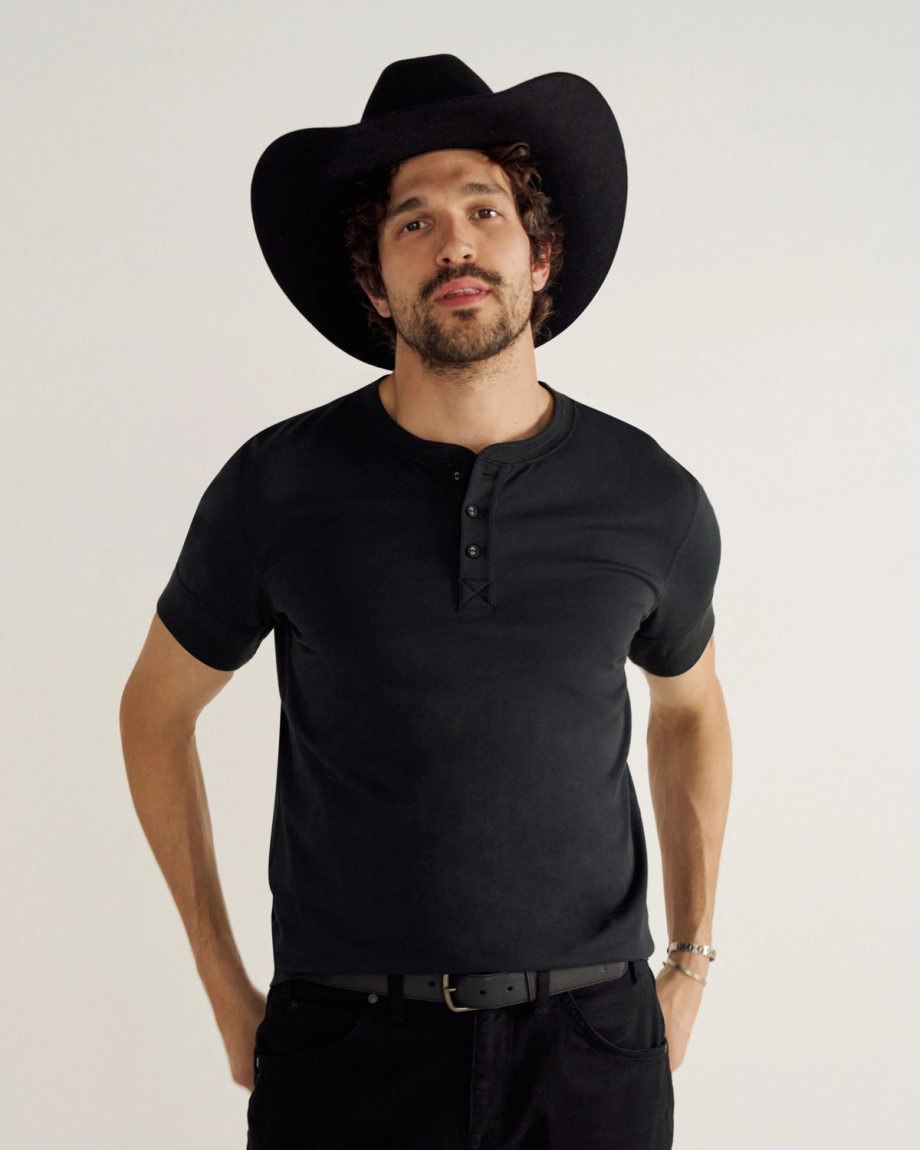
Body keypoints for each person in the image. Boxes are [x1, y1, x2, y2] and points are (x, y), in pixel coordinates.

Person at [120, 53, 732, 1150]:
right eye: (411, 221)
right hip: (344, 1050)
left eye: (482, 208)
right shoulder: (277, 486)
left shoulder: (650, 496)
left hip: (591, 1048)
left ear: (537, 256)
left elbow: (690, 709)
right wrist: (225, 990)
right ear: (373, 285)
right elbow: (153, 713)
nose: (453, 240)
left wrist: (688, 961)